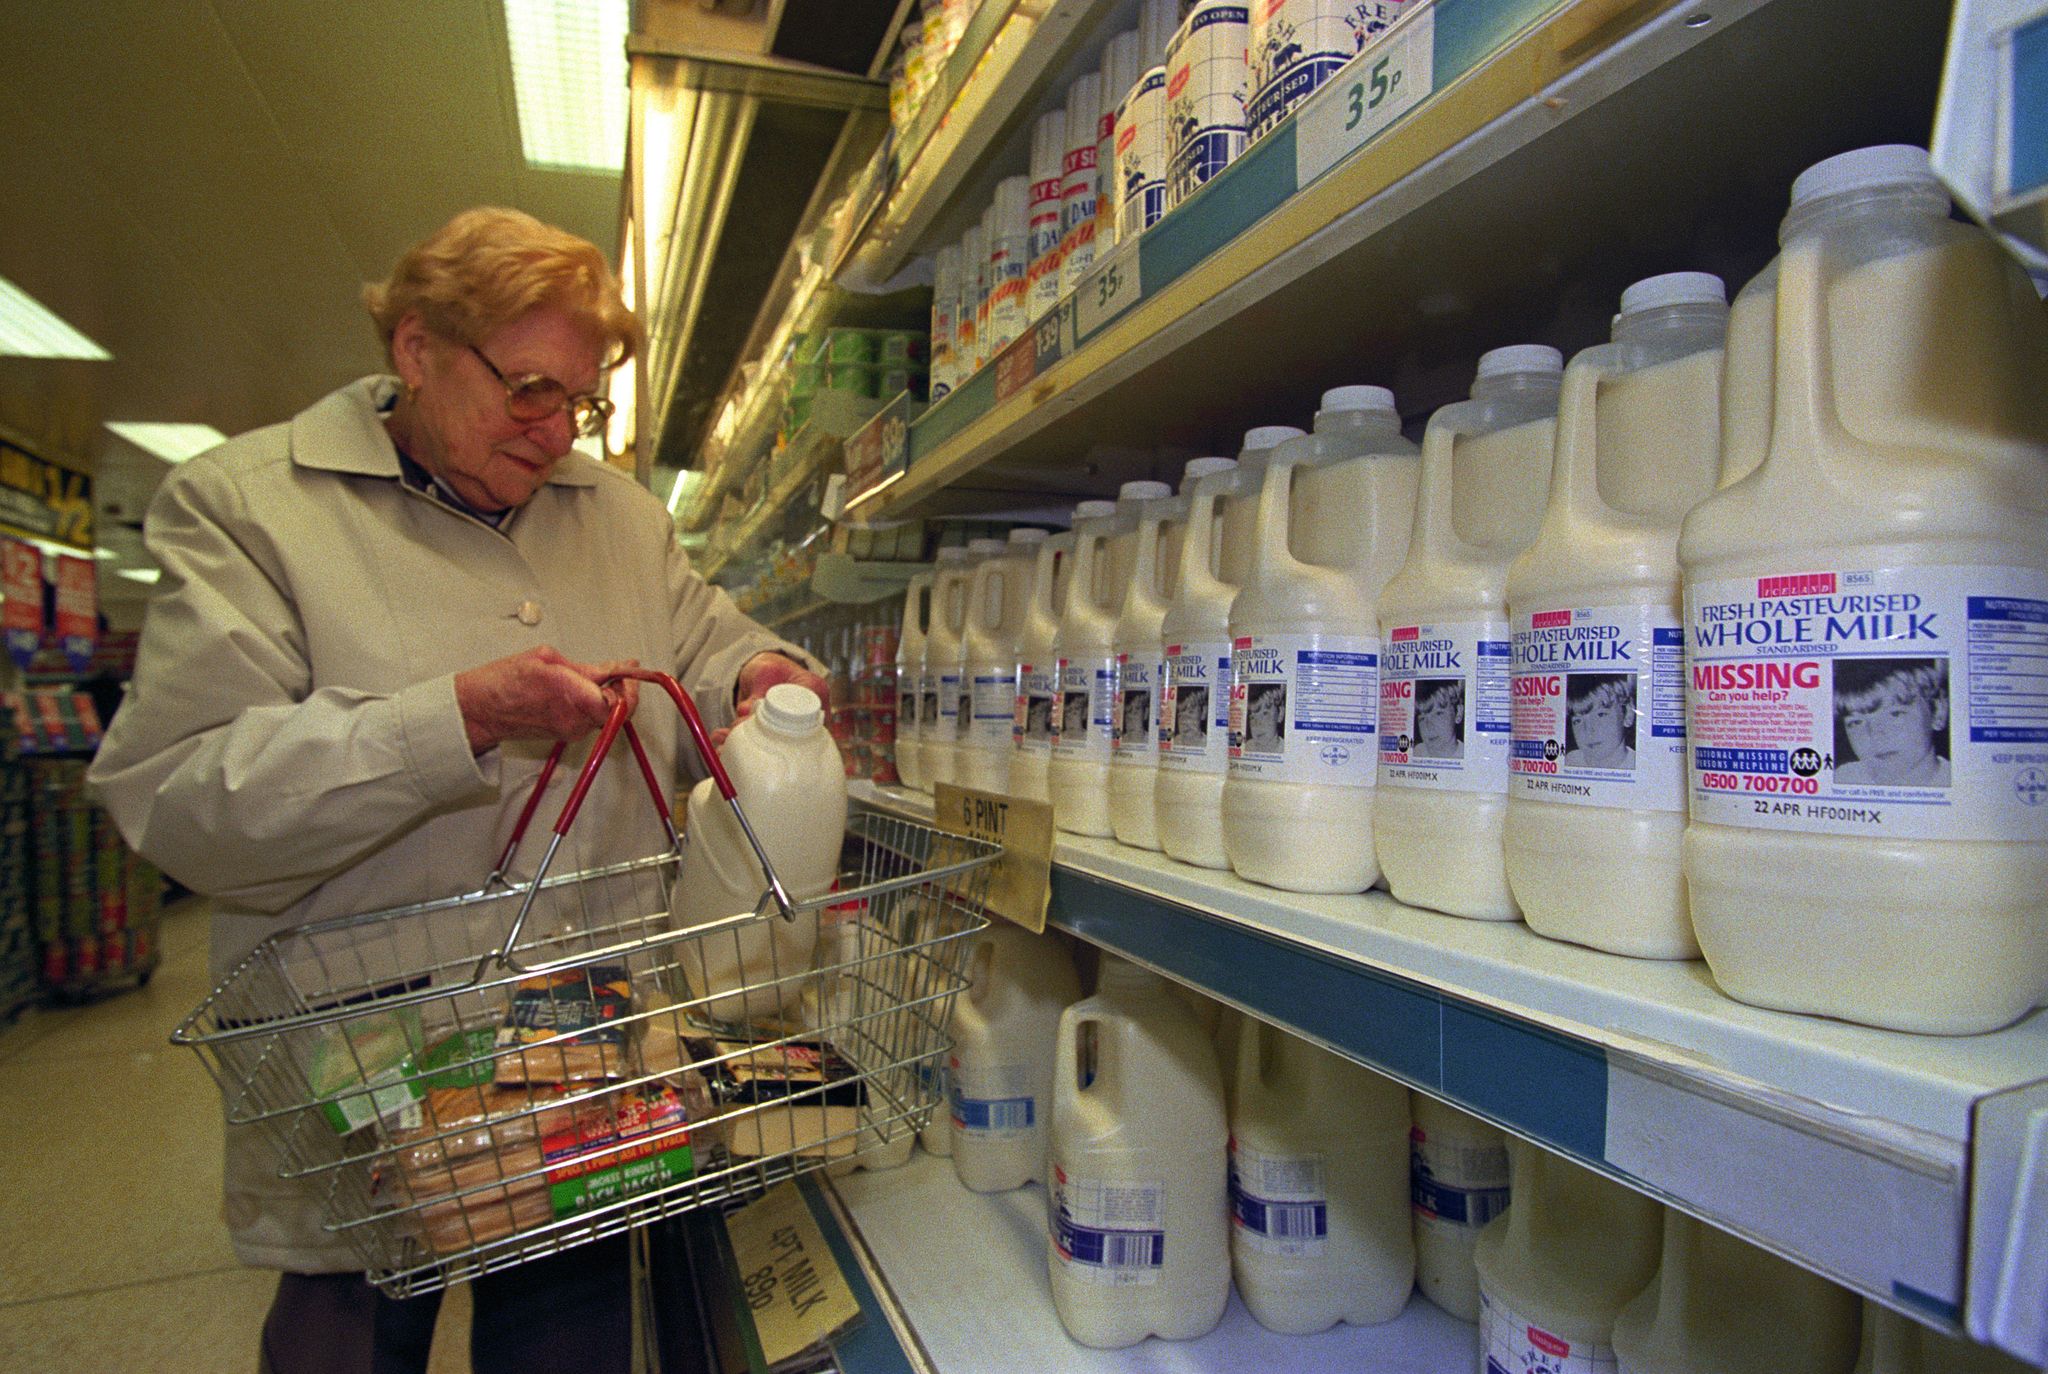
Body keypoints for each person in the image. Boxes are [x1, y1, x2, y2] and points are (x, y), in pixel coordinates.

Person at [85, 207, 827, 1374]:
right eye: (528, 388)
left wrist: (756, 672)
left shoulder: (619, 518)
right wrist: (455, 720)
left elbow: (708, 640)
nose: (554, 431)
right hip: (358, 1073)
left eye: (577, 401)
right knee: (351, 1330)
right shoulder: (246, 508)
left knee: (569, 1329)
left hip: (573, 1053)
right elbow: (184, 801)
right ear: (417, 348)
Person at [1834, 659, 1951, 786]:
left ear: (1939, 712)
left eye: (1895, 714)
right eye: (1856, 722)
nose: (1875, 736)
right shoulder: (1843, 777)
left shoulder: (1959, 782)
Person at [1563, 675, 1636, 770]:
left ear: (1628, 715)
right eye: (1578, 721)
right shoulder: (1571, 759)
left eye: (1601, 715)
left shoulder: (1638, 765)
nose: (1588, 731)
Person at [1411, 678, 1464, 760]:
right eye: (1422, 719)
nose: (1429, 727)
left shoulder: (1468, 755)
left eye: (1438, 714)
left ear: (1458, 713)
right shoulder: (1417, 751)